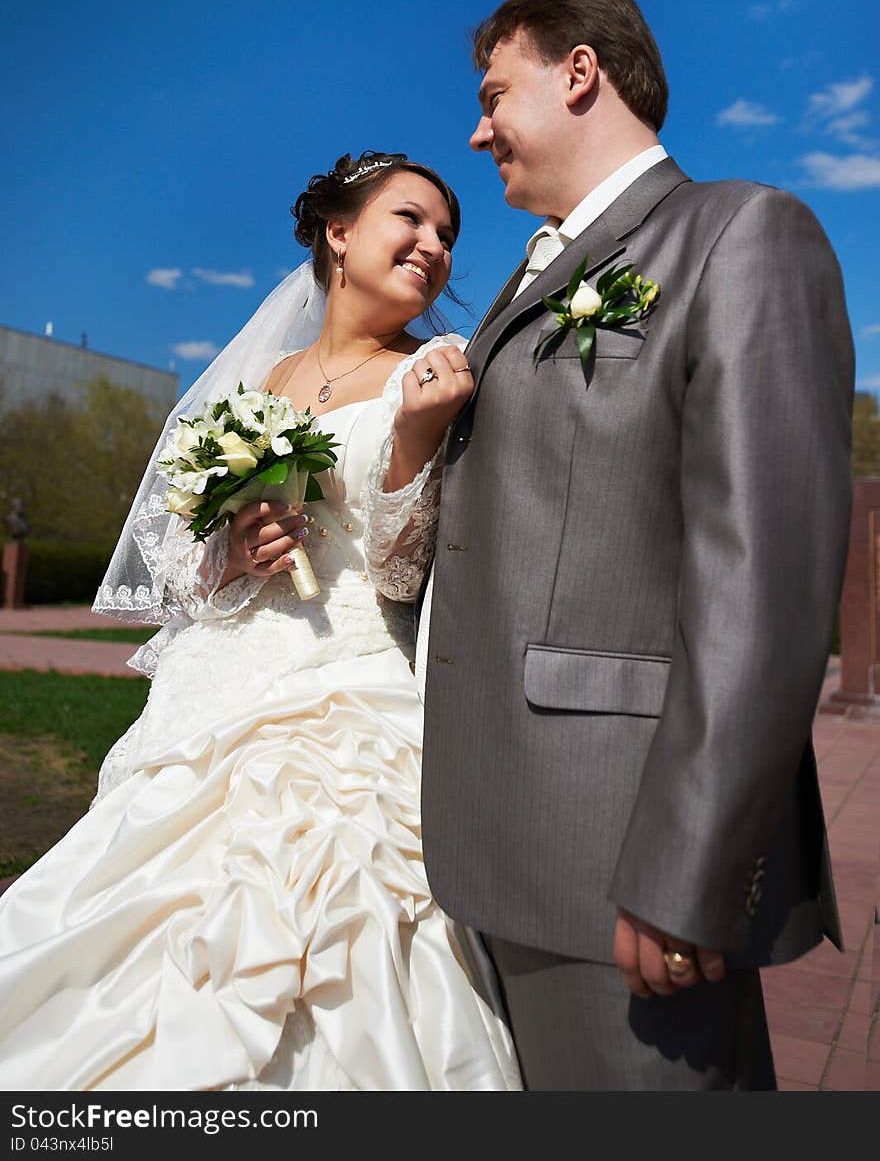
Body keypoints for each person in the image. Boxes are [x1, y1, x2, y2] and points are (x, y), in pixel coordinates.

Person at [0, 151, 521, 1093]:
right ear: (338, 234)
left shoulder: (437, 374)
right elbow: (183, 567)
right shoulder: (259, 377)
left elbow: (405, 571)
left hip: (349, 691)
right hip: (213, 690)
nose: (434, 247)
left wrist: (410, 441)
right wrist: (234, 550)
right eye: (411, 220)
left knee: (346, 917)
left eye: (447, 235)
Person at [418, 0, 854, 1090]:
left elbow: (762, 585)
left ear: (578, 73)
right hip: (496, 847)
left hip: (618, 863)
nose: (476, 130)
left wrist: (688, 872)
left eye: (492, 93)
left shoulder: (741, 234)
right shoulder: (537, 274)